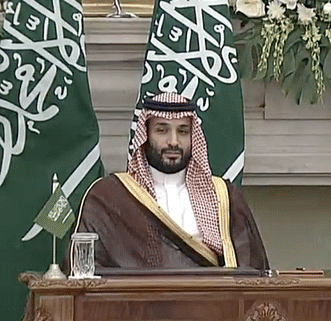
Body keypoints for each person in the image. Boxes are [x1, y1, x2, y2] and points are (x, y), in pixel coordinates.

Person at [69, 92, 268, 270]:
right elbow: (85, 269)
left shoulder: (223, 196)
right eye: (162, 130)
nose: (173, 141)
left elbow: (251, 270)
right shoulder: (109, 197)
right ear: (145, 135)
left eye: (182, 131)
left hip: (209, 307)